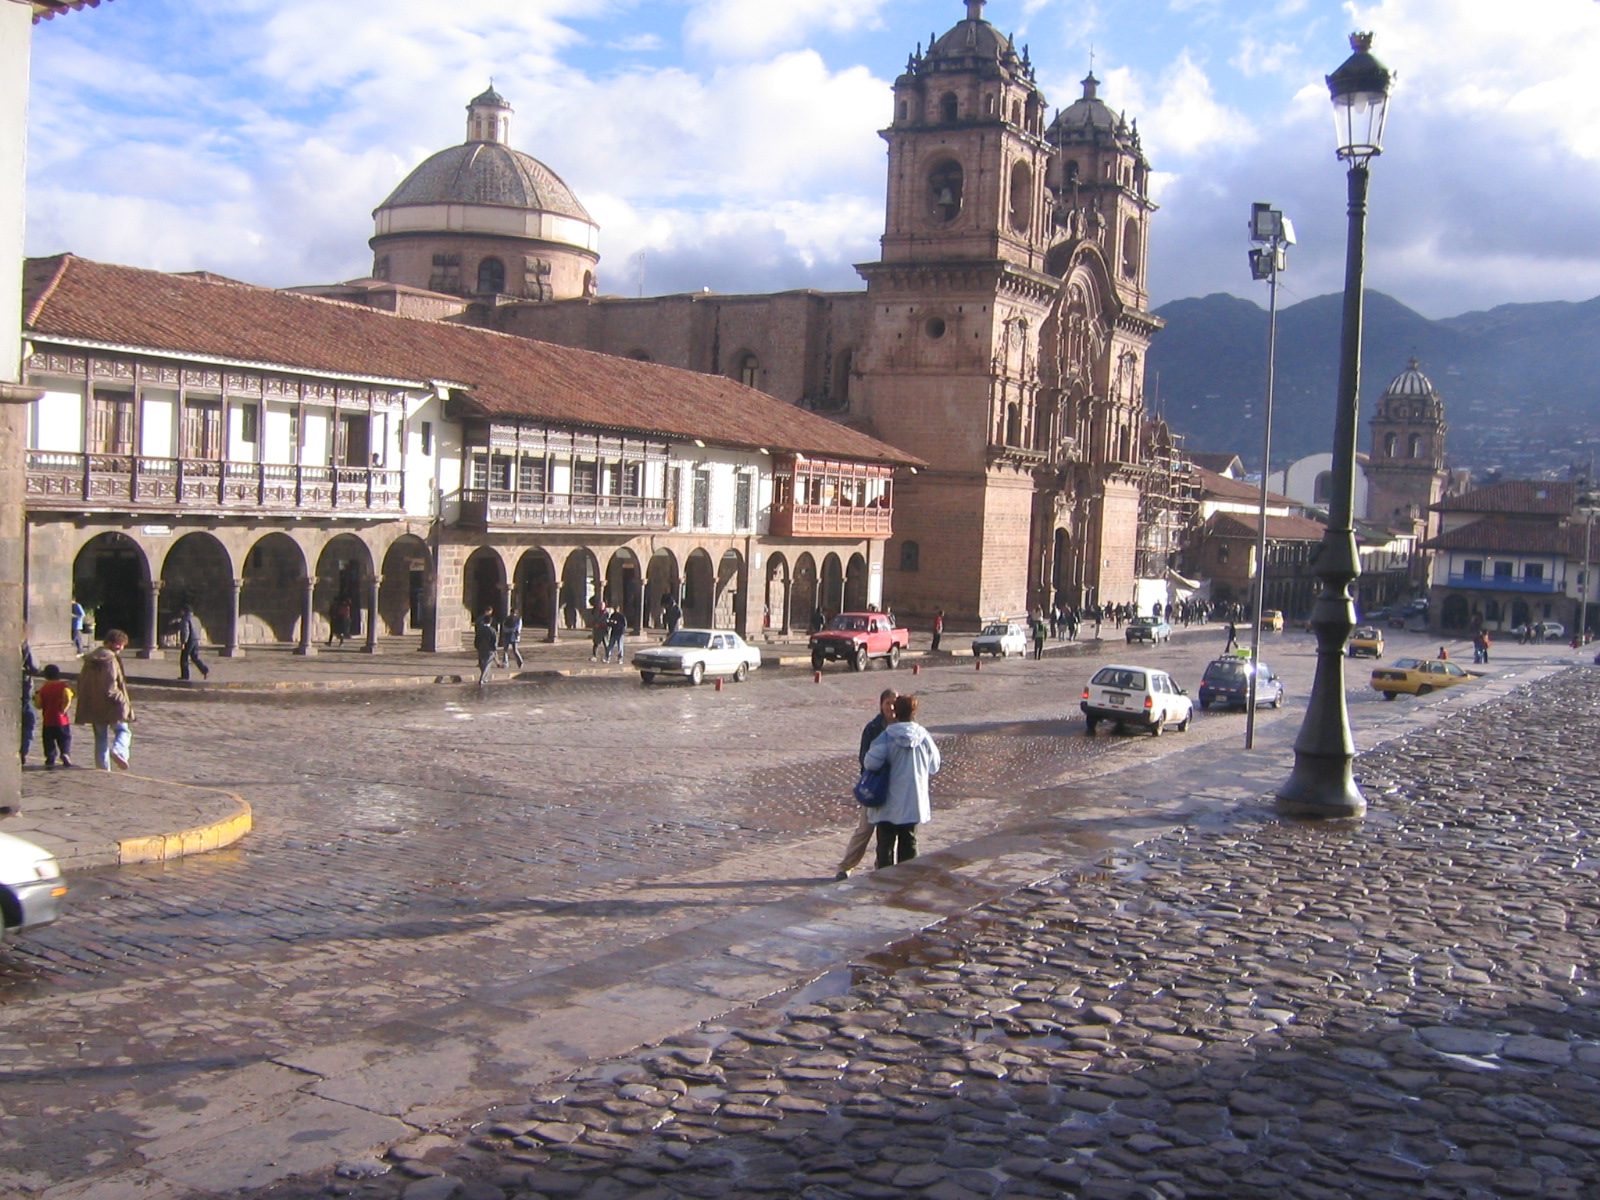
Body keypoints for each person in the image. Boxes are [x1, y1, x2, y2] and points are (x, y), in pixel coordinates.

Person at [862, 694, 941, 869]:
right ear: (914, 712)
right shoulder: (924, 737)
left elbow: (870, 763)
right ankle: (907, 881)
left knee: (885, 846)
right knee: (909, 843)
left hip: (888, 802)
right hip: (913, 801)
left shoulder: (886, 737)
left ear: (896, 712)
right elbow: (935, 766)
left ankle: (884, 881)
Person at [834, 689, 897, 882]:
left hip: (895, 789)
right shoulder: (873, 728)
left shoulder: (904, 727)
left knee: (889, 832)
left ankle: (884, 865)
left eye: (894, 703)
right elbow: (864, 758)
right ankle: (846, 866)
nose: (891, 707)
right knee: (864, 830)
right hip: (875, 786)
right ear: (881, 705)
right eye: (888, 703)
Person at [76, 630, 133, 771]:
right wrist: (122, 701)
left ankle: (102, 767)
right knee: (123, 731)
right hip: (111, 704)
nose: (120, 647)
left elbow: (82, 682)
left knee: (100, 737)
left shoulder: (90, 659)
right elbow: (110, 687)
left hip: (94, 704)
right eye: (118, 644)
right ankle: (119, 750)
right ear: (109, 643)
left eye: (122, 645)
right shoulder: (109, 660)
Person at [33, 664, 74, 768]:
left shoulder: (43, 689)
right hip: (62, 720)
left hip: (48, 720)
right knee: (65, 738)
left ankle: (50, 758)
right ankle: (65, 753)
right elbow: (68, 698)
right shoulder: (63, 687)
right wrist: (64, 709)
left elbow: (38, 705)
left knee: (48, 741)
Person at [175, 605, 210, 681]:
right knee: (195, 657)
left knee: (184, 658)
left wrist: (183, 642)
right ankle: (205, 670)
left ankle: (185, 676)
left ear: (184, 611)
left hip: (189, 640)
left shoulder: (185, 619)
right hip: (196, 639)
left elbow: (185, 631)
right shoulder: (196, 619)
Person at [19, 642, 36, 766]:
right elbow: (35, 667)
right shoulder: (23, 645)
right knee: (28, 723)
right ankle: (23, 753)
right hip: (23, 692)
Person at [473, 607, 499, 685]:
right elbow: (494, 641)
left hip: (481, 648)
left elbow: (476, 639)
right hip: (489, 649)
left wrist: (477, 646)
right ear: (490, 622)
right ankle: (483, 678)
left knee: (482, 663)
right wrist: (494, 649)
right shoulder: (492, 631)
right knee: (487, 664)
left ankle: (485, 678)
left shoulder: (480, 629)